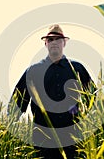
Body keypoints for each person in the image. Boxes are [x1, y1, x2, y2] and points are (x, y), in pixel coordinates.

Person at [9, 24, 94, 159]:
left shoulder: (77, 69)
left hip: (73, 141)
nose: (54, 42)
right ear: (45, 43)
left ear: (64, 42)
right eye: (50, 39)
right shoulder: (33, 71)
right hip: (43, 142)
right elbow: (15, 106)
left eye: (58, 39)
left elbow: (94, 102)